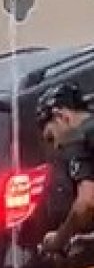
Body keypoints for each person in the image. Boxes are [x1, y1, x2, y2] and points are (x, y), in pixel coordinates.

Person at [38, 82, 94, 256]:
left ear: (61, 116)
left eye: (50, 137)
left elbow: (86, 203)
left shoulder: (82, 138)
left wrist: (58, 240)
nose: (56, 146)